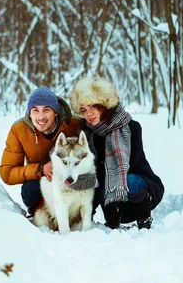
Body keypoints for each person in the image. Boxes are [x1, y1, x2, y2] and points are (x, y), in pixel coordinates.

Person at [69, 76, 164, 229]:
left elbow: (130, 164)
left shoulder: (131, 126)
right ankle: (89, 221)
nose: (89, 114)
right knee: (87, 181)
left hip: (133, 183)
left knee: (129, 181)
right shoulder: (85, 132)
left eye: (93, 106)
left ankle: (144, 219)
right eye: (84, 110)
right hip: (105, 190)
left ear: (105, 104)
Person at [0, 86, 81, 216]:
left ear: (55, 112)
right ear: (30, 113)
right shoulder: (19, 130)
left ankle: (80, 214)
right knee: (29, 189)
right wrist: (41, 169)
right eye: (35, 110)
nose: (41, 117)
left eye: (46, 110)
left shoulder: (76, 124)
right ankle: (39, 213)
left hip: (72, 177)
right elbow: (7, 173)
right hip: (42, 180)